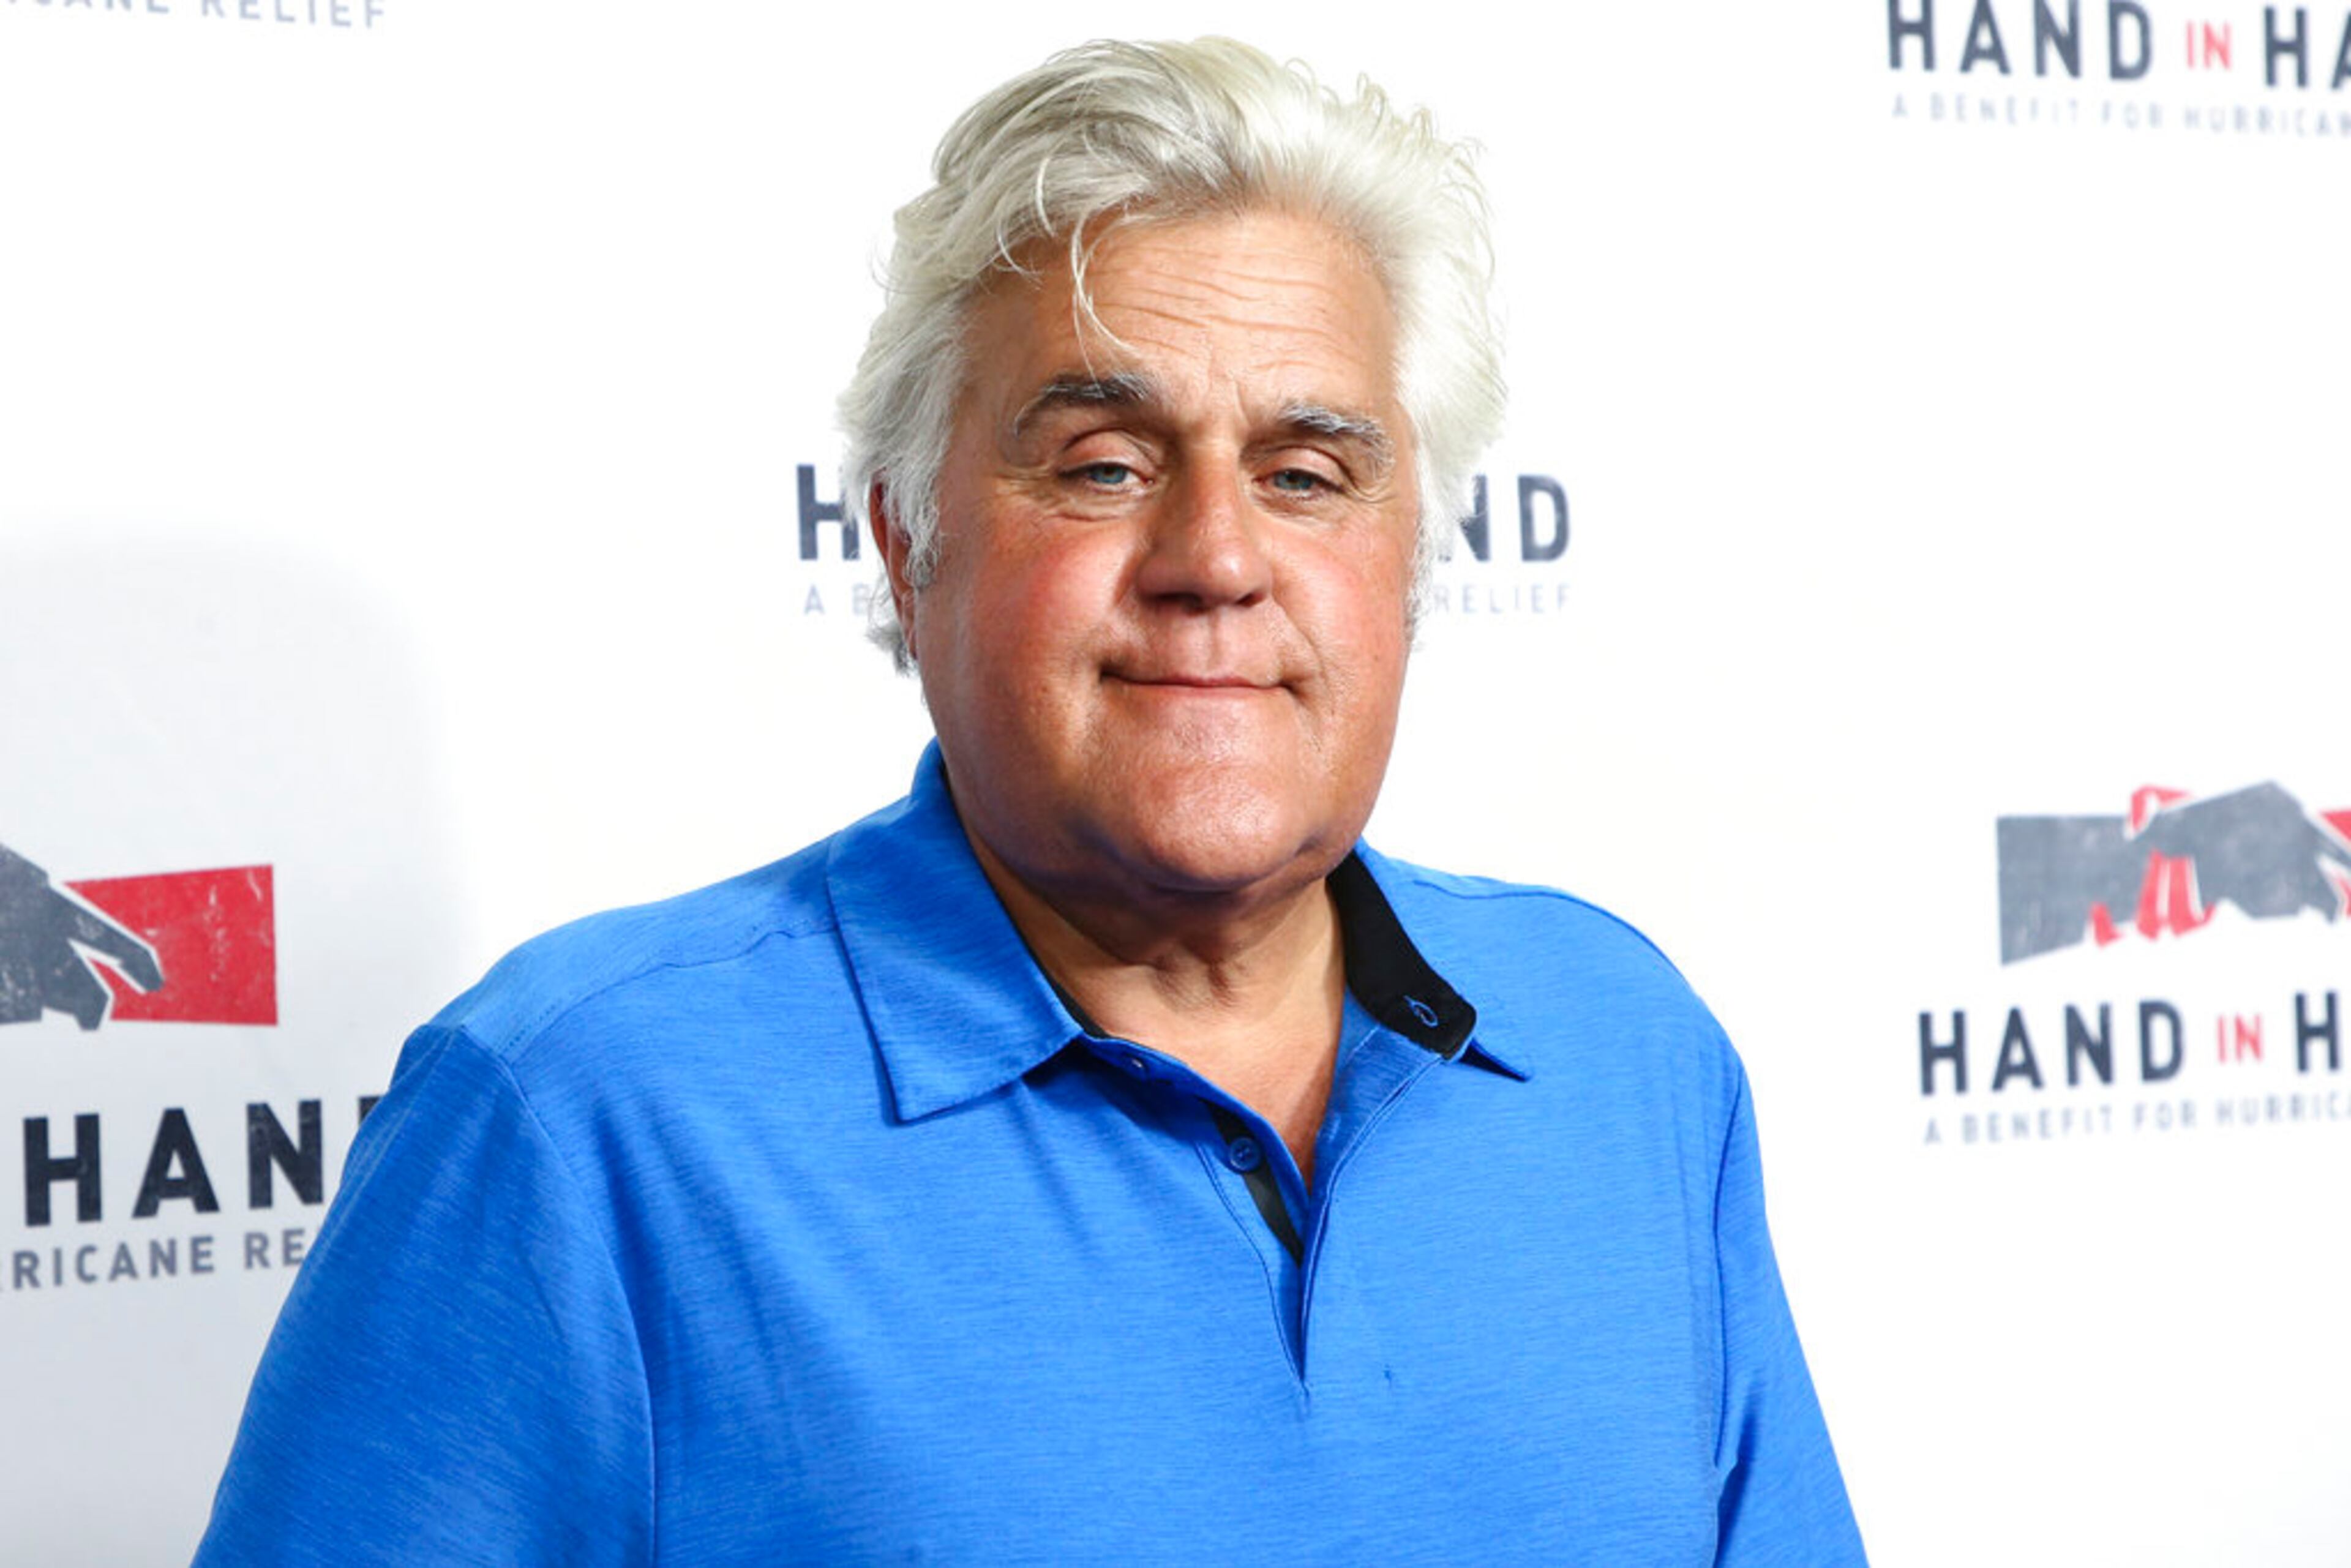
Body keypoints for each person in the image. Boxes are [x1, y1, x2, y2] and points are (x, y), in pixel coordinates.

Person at [196, 38, 1865, 1565]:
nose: (1215, 558)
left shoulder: (1630, 1055)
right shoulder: (577, 1120)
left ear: (1411, 558)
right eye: (1103, 463)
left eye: (1305, 474)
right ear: (910, 547)